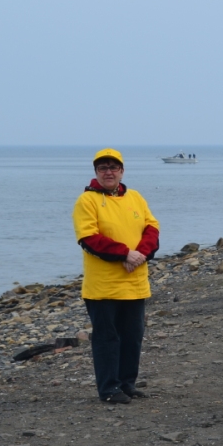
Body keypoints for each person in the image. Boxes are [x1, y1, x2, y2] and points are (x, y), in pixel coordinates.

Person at [73, 148, 159, 404]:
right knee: (107, 338)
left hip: (135, 282)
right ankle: (109, 389)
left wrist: (140, 254)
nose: (108, 172)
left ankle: (126, 384)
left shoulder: (135, 197)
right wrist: (125, 254)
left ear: (122, 171)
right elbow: (89, 239)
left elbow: (151, 227)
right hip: (103, 287)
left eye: (113, 167)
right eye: (103, 168)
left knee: (132, 337)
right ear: (96, 172)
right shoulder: (86, 201)